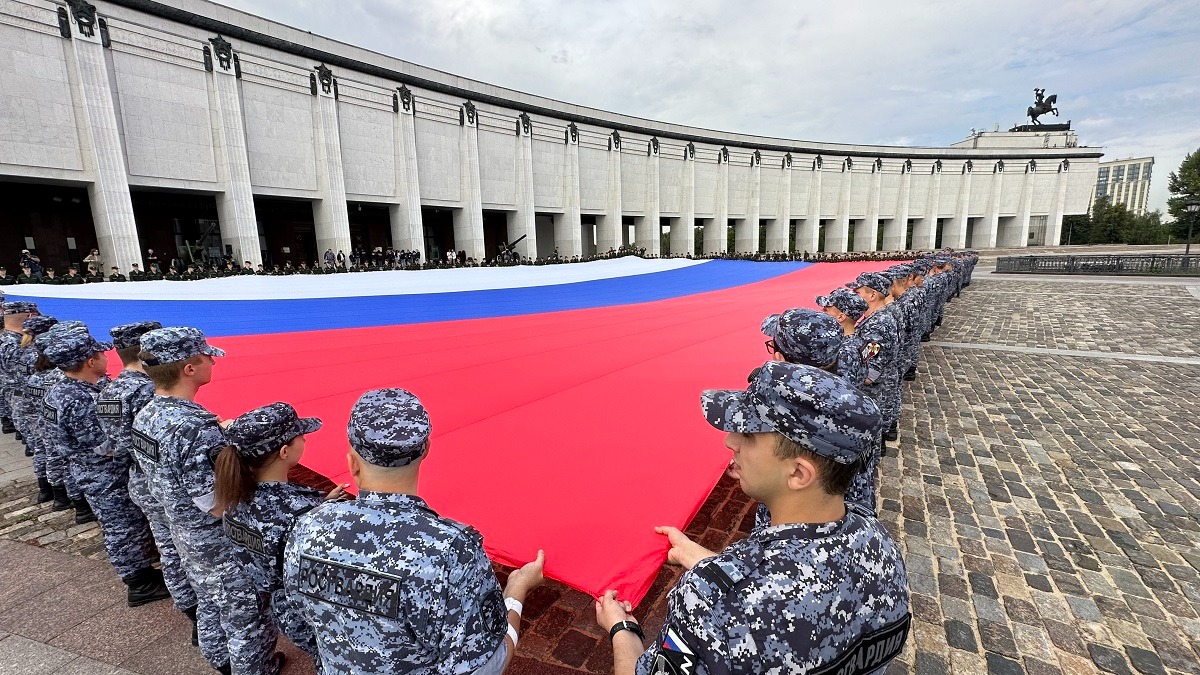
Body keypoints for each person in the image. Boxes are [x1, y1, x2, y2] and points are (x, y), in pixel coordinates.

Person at [594, 362, 909, 675]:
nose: (730, 442)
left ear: (799, 473)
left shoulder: (711, 603)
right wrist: (707, 563)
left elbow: (752, 602)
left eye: (748, 433)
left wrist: (621, 629)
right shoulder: (880, 546)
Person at [283, 388, 546, 674]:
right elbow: (488, 665)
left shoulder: (306, 528)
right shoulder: (451, 553)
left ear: (352, 463)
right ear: (426, 449)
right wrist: (516, 591)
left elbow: (296, 619)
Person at [134, 327, 270, 674]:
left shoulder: (147, 413)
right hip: (216, 540)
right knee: (245, 618)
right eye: (205, 356)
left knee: (209, 601)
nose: (212, 360)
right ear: (188, 369)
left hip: (182, 532)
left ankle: (219, 660)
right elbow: (216, 503)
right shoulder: (195, 428)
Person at [42, 326, 172, 605]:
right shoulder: (80, 398)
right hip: (103, 473)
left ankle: (142, 571)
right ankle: (139, 583)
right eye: (100, 352)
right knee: (121, 527)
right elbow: (106, 445)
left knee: (125, 523)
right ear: (90, 361)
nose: (105, 356)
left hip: (90, 470)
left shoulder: (66, 390)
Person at [215, 403, 344, 669]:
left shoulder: (234, 496)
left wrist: (319, 504)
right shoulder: (300, 513)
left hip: (280, 606)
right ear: (284, 452)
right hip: (307, 613)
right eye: (300, 436)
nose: (305, 439)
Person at [97, 321, 199, 627]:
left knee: (168, 548)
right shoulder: (147, 392)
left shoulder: (111, 388)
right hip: (162, 481)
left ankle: (190, 612)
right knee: (187, 551)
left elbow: (113, 441)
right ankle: (200, 614)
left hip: (140, 478)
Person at [815, 288, 870, 390]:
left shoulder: (844, 351)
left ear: (840, 317)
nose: (821, 312)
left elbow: (843, 392)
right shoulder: (859, 341)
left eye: (826, 309)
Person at [0, 301, 39, 436]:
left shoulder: (4, 339)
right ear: (30, 317)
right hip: (26, 399)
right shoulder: (18, 347)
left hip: (12, 396)